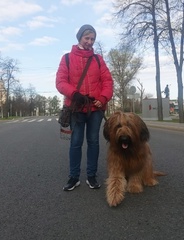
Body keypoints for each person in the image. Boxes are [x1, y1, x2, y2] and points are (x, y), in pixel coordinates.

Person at [56, 24, 113, 191]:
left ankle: (91, 176)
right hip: (75, 108)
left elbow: (107, 81)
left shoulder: (98, 59)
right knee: (75, 143)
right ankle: (74, 177)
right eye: (87, 38)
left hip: (95, 109)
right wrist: (75, 94)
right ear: (79, 38)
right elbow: (60, 82)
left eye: (92, 39)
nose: (90, 41)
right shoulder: (67, 58)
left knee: (94, 142)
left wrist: (103, 98)